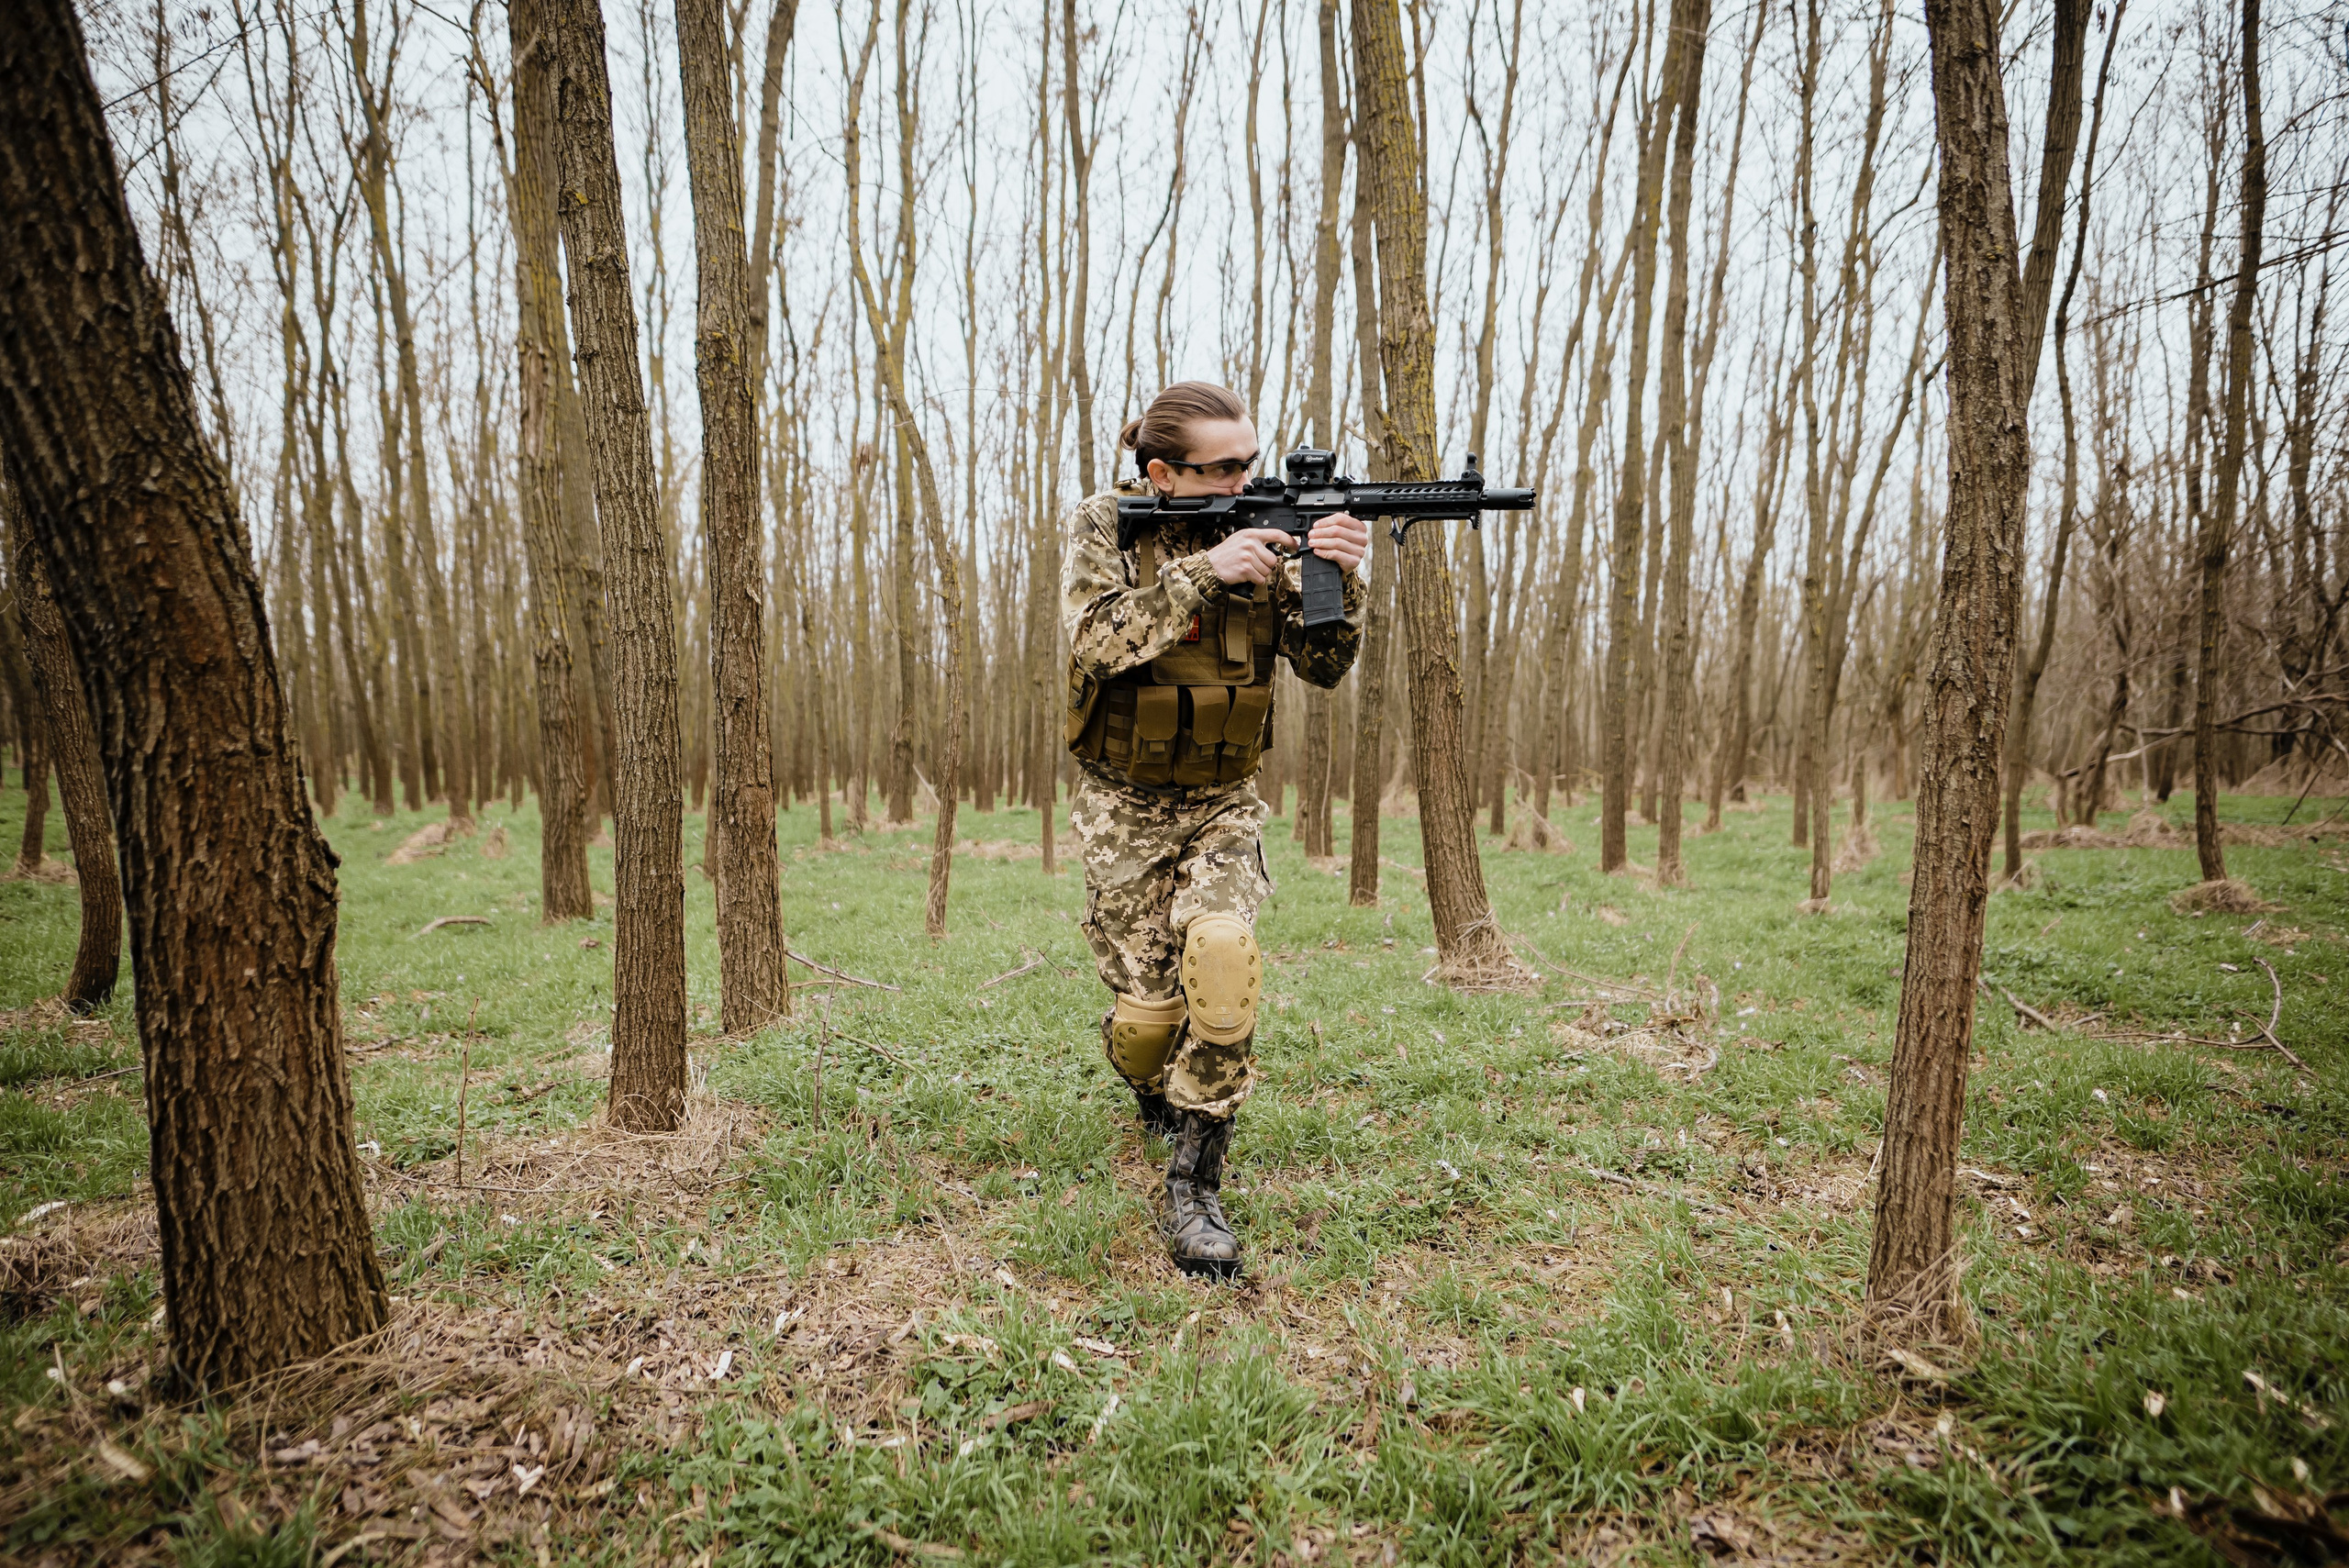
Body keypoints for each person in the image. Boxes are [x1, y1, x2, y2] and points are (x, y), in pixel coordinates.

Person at [1060, 381, 1369, 1277]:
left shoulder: (1274, 531)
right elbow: (1095, 642)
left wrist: (1337, 576)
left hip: (1224, 799)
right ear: (1164, 474)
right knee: (1148, 1025)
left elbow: (1323, 665)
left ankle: (1194, 1184)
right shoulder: (1107, 524)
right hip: (1123, 805)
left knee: (1223, 961)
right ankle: (1154, 1086)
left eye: (1250, 461)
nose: (1246, 479)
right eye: (1224, 467)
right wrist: (1206, 570)